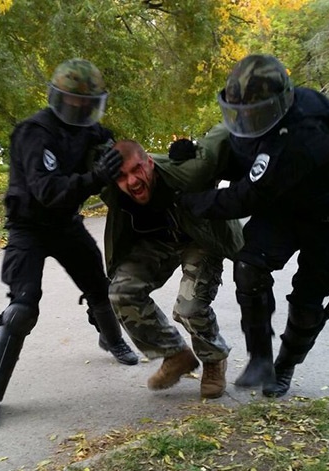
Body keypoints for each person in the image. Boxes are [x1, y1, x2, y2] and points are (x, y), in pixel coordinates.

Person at [178, 54, 329, 398]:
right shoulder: (262, 117)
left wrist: (188, 201)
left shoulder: (307, 132)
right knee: (249, 267)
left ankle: (286, 364)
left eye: (253, 113)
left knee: (307, 301)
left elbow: (248, 195)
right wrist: (195, 155)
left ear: (280, 103)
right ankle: (260, 357)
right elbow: (244, 155)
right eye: (240, 113)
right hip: (286, 206)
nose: (245, 120)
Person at [0, 59, 138, 429]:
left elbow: (110, 143)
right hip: (28, 227)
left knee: (100, 287)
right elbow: (47, 191)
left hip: (65, 224)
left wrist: (119, 153)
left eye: (89, 103)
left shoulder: (88, 129)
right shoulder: (34, 133)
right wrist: (95, 177)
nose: (83, 108)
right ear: (61, 98)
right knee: (22, 307)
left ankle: (112, 340)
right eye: (78, 101)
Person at [99, 133, 244, 399]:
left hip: (199, 237)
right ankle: (175, 354)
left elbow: (219, 145)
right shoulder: (112, 189)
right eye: (122, 176)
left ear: (149, 162)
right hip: (158, 243)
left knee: (190, 309)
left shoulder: (182, 171)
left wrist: (196, 150)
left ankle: (214, 358)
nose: (132, 181)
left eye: (137, 169)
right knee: (121, 292)